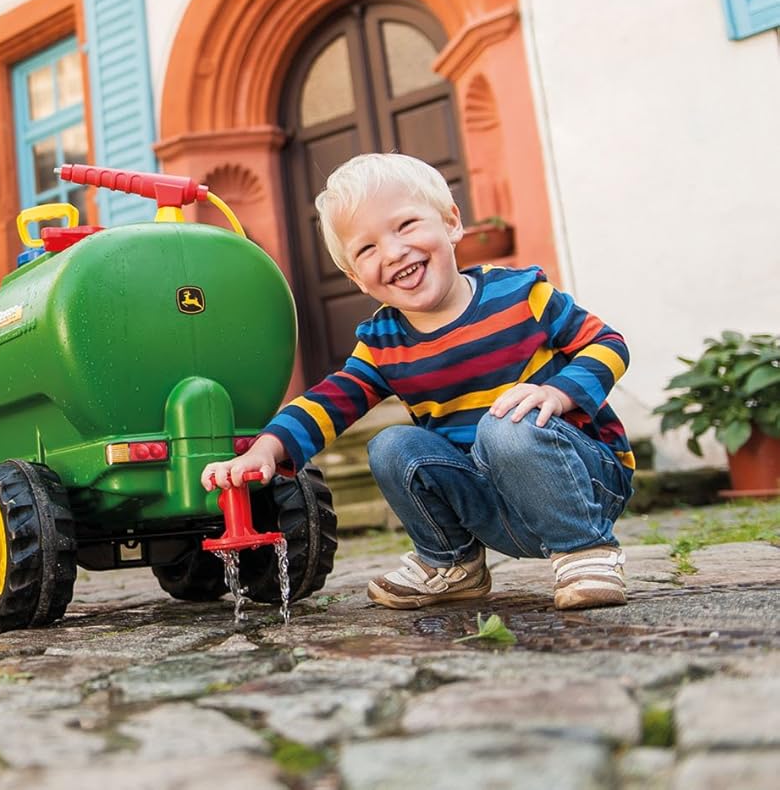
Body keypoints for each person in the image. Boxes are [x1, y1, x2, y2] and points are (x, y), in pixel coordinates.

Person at [201, 153, 634, 611]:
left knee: (503, 426)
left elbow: (607, 343)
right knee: (391, 445)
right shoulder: (384, 342)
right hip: (488, 502)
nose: (391, 253)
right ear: (355, 277)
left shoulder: (522, 295)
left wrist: (558, 393)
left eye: (406, 225)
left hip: (582, 483)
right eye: (366, 249)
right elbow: (327, 402)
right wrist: (266, 448)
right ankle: (452, 562)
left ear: (451, 222)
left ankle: (587, 551)